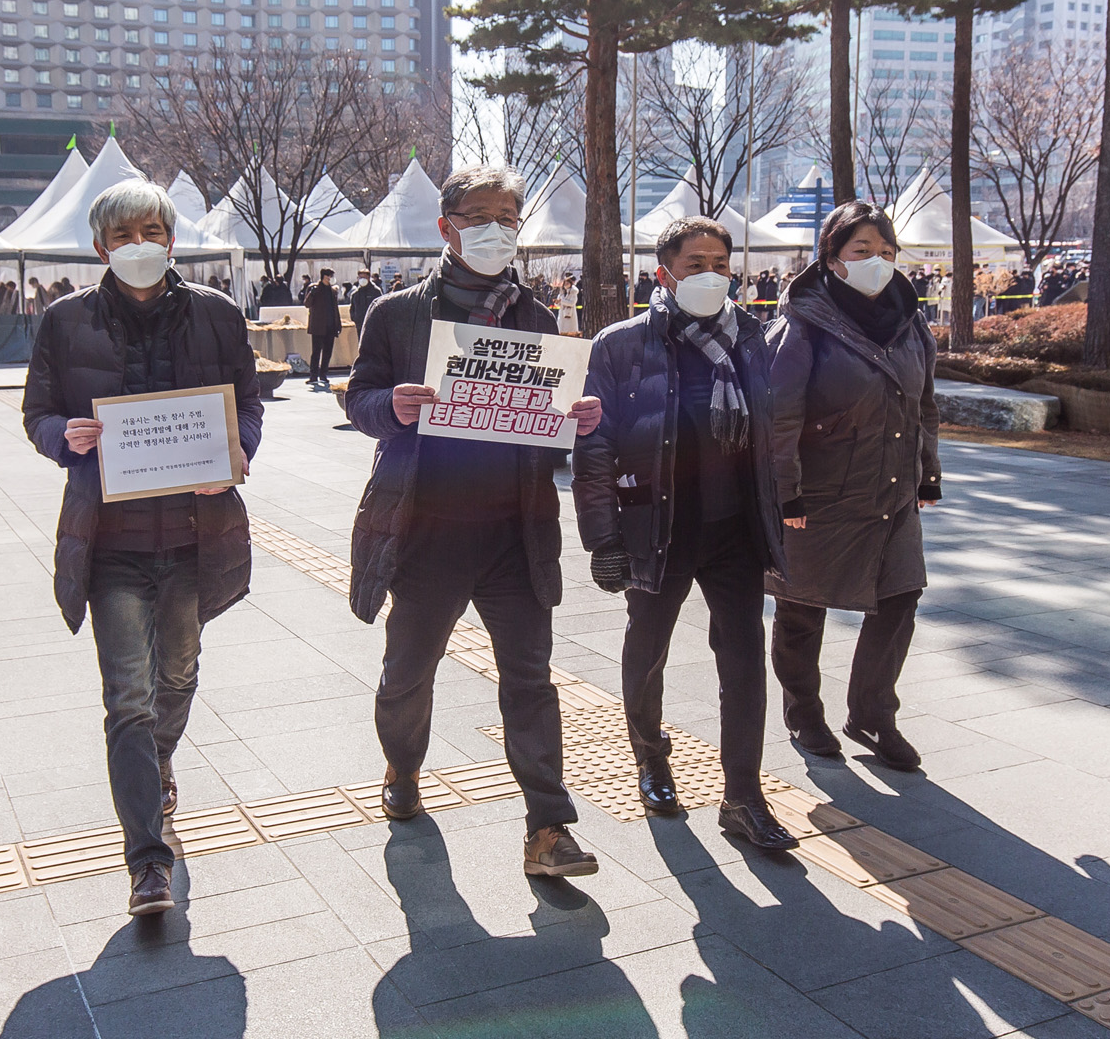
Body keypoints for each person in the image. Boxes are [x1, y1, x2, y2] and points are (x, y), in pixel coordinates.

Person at [344, 164, 605, 878]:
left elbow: (545, 430)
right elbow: (359, 397)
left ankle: (549, 825)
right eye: (479, 216)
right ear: (446, 227)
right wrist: (387, 407)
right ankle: (402, 768)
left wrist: (574, 420)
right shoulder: (396, 314)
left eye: (508, 217)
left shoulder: (536, 319)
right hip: (426, 532)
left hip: (515, 533)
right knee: (407, 673)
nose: (496, 230)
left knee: (530, 678)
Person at [22, 179, 264, 918]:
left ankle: (158, 759)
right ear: (101, 247)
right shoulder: (65, 322)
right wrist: (63, 435)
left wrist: (239, 448)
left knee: (179, 673)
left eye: (152, 231)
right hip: (112, 543)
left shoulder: (218, 315)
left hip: (195, 534)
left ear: (172, 238)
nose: (139, 246)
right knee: (126, 695)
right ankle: (146, 859)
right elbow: (38, 410)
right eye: (124, 236)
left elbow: (246, 402)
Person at [573, 217, 797, 850]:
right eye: (695, 263)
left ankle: (743, 795)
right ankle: (650, 757)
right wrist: (602, 539)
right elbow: (595, 448)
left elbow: (776, 433)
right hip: (656, 528)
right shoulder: (621, 345)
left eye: (721, 263)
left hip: (735, 530)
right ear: (663, 272)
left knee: (746, 661)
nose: (711, 274)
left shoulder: (755, 339)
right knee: (647, 653)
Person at [764, 201, 941, 773]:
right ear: (832, 259)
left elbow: (924, 403)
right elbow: (779, 416)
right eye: (861, 251)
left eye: (886, 252)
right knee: (802, 605)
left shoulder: (909, 320)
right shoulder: (802, 322)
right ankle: (803, 711)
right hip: (818, 493)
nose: (877, 263)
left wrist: (928, 470)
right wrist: (784, 491)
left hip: (891, 489)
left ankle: (872, 713)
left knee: (900, 596)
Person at [302, 267, 342, 390]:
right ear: (324, 276)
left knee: (327, 352)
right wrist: (311, 293)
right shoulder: (315, 288)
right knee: (316, 352)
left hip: (330, 326)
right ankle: (313, 375)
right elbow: (307, 304)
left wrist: (338, 324)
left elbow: (335, 309)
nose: (331, 278)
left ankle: (323, 374)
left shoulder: (332, 291)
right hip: (318, 326)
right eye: (329, 276)